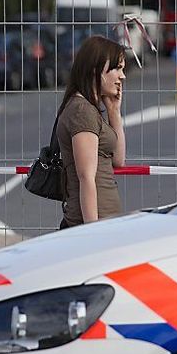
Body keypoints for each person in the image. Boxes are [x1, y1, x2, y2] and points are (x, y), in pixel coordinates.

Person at [56, 35, 126, 229]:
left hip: (105, 222)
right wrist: (92, 234)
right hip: (92, 225)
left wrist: (114, 111)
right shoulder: (82, 111)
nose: (123, 76)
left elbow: (118, 160)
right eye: (117, 68)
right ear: (97, 69)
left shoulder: (90, 109)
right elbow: (86, 177)